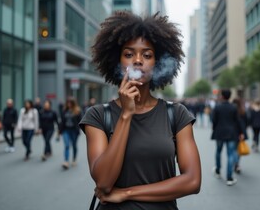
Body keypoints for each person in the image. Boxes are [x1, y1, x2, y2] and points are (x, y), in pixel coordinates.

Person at [79, 11, 201, 209]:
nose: (137, 60)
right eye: (128, 54)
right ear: (117, 62)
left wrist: (127, 193)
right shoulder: (98, 116)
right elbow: (103, 182)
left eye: (147, 55)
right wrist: (126, 115)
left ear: (157, 62)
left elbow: (192, 181)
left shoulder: (177, 114)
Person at [211, 90, 243, 186]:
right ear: (229, 97)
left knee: (218, 151)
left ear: (222, 96)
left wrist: (215, 128)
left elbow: (213, 120)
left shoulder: (217, 107)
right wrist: (241, 132)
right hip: (231, 133)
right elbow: (237, 121)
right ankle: (229, 178)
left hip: (219, 132)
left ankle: (218, 170)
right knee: (230, 154)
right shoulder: (233, 107)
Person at [60, 97, 82, 169]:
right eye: (68, 103)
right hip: (66, 130)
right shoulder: (64, 110)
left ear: (73, 103)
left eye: (70, 103)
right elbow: (62, 121)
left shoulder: (77, 111)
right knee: (66, 145)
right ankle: (66, 161)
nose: (69, 104)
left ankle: (74, 159)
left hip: (74, 131)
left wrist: (80, 130)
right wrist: (59, 131)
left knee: (74, 145)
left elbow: (81, 121)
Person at [232, 97, 248, 174]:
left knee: (234, 149)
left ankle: (235, 164)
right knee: (238, 149)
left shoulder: (231, 110)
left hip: (232, 132)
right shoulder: (243, 111)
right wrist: (243, 132)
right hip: (240, 132)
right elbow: (246, 122)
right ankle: (237, 164)